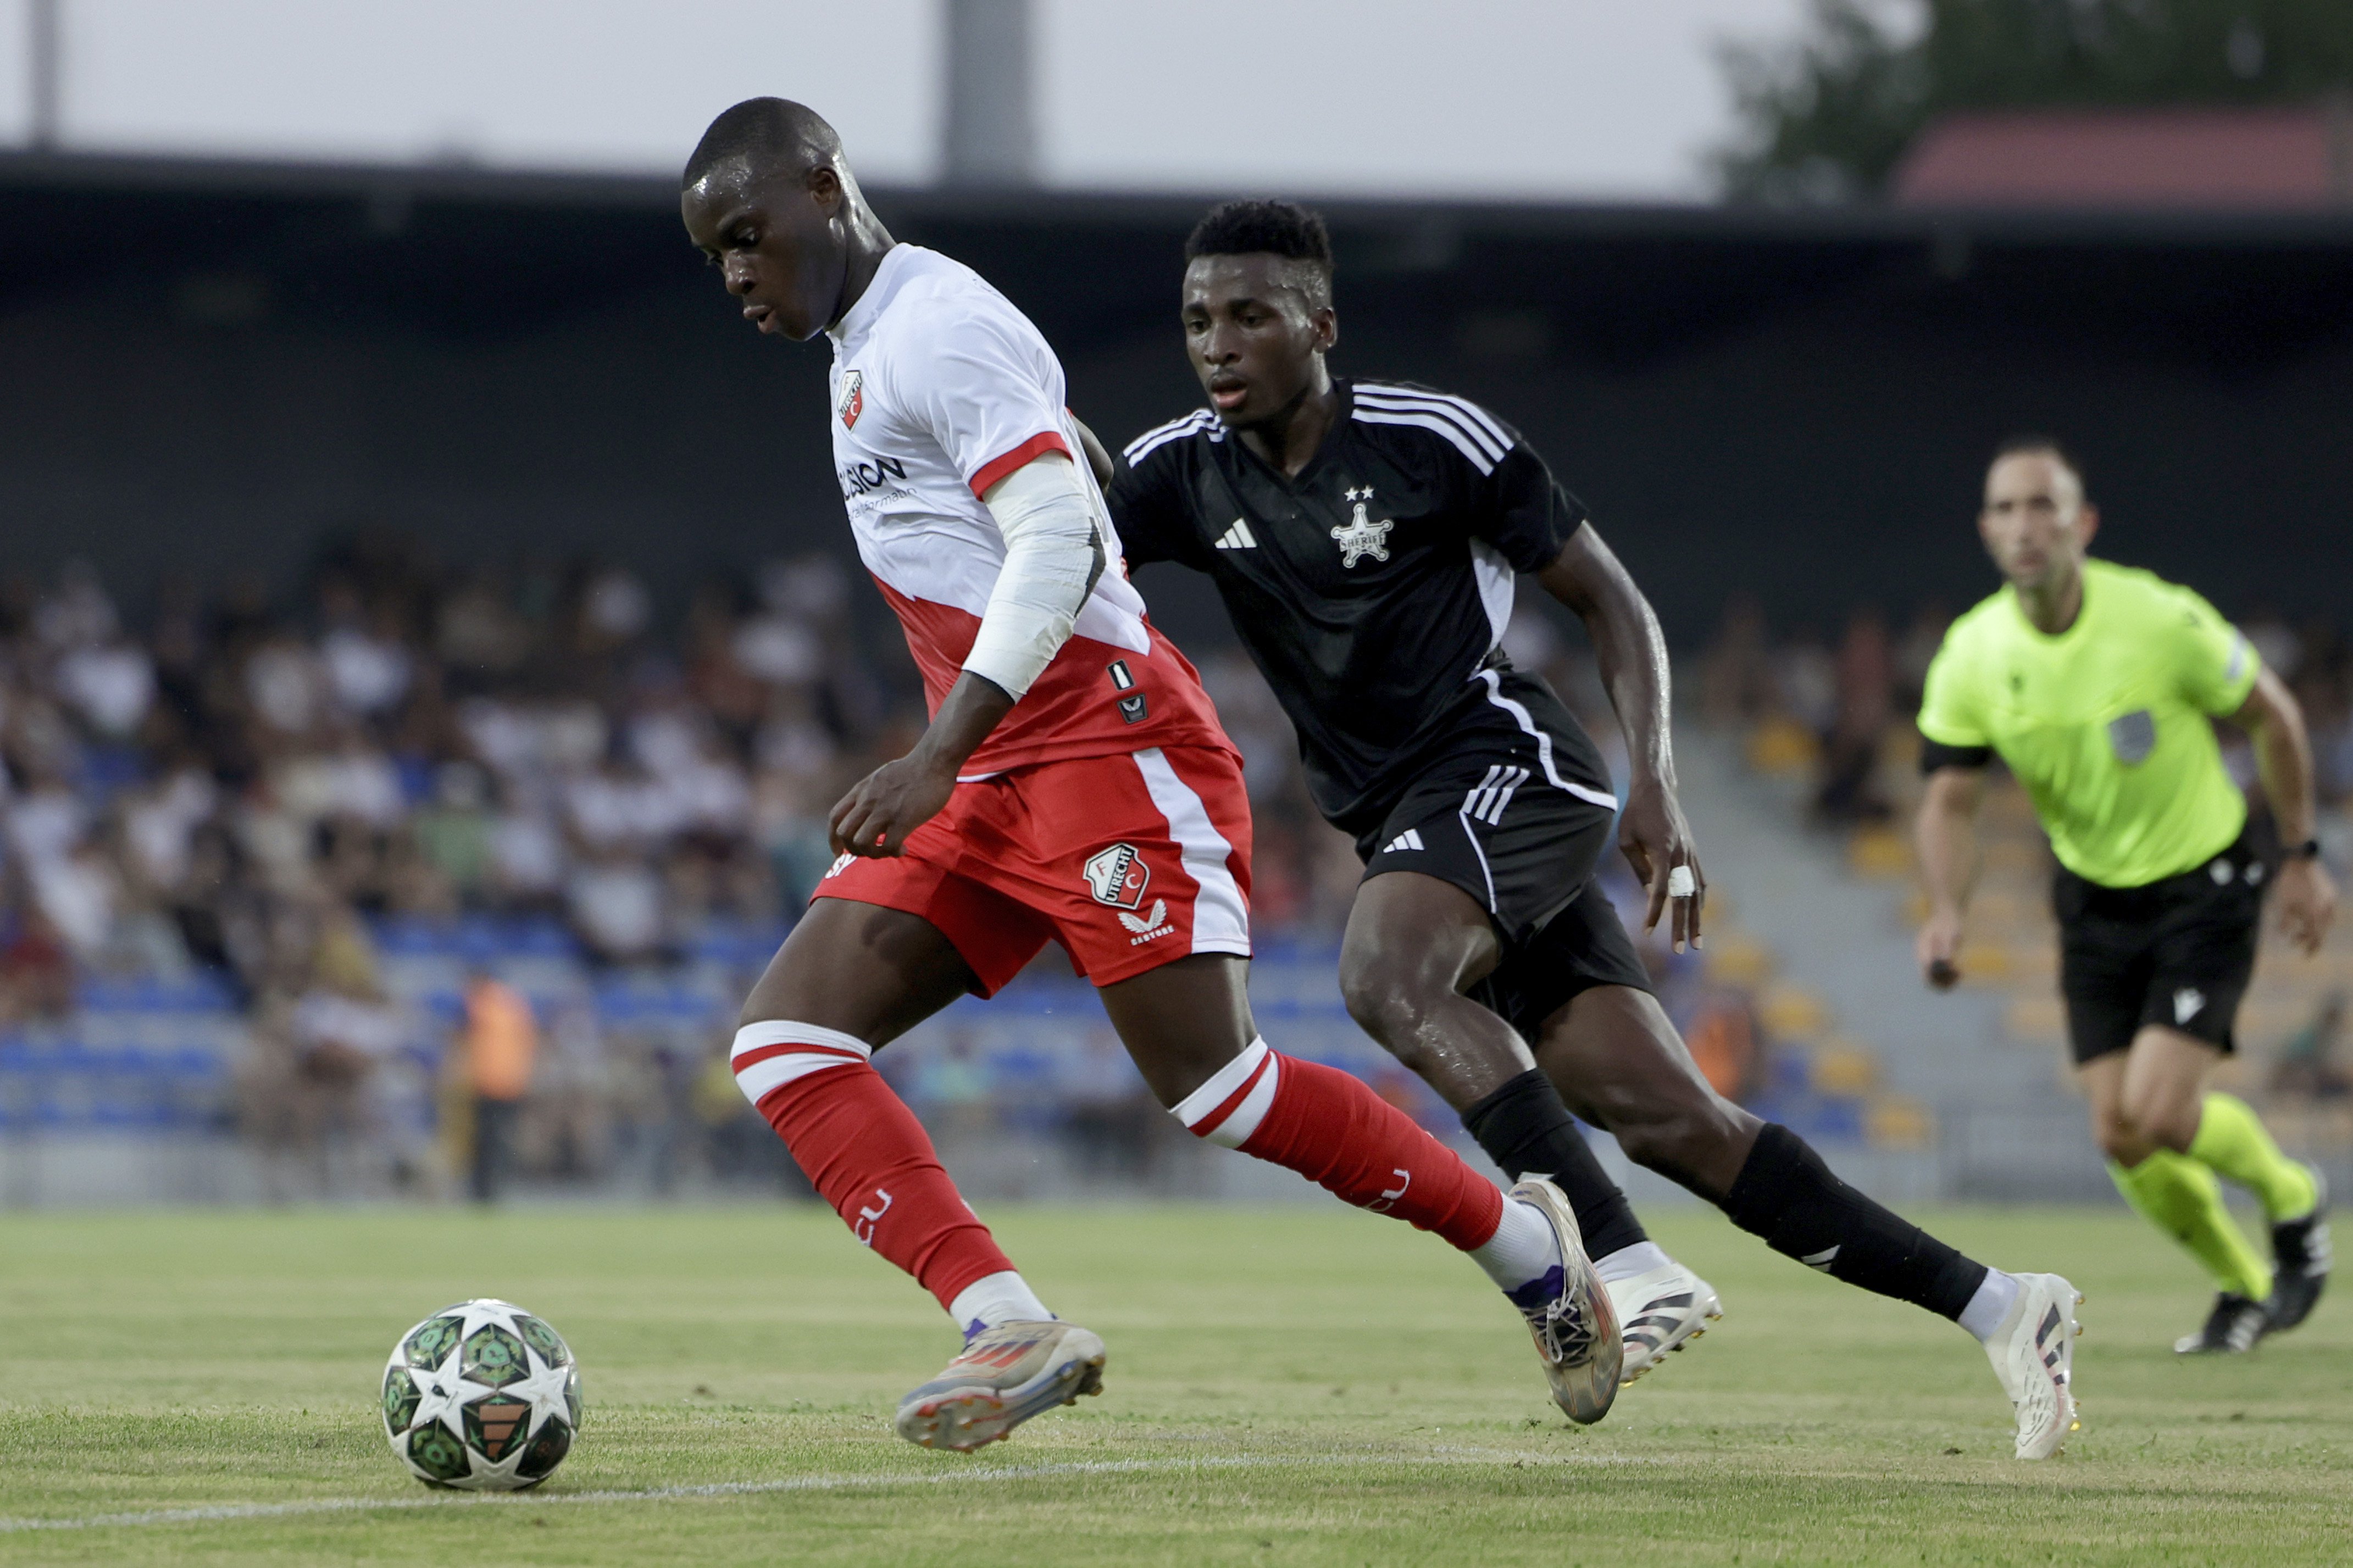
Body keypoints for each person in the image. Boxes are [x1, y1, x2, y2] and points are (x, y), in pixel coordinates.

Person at [679, 100, 1623, 1454]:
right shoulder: (868, 344)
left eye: (749, 237)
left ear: (826, 188)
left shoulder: (932, 324)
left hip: (1104, 744)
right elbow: (1070, 475)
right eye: (716, 253)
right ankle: (1005, 1319)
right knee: (784, 1042)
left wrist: (933, 753)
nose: (736, 276)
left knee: (1215, 1089)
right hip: (995, 764)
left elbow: (1057, 532)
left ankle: (1526, 1246)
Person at [1098, 199, 2080, 1459]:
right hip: (1421, 825)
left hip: (1511, 766)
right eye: (1196, 320)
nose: (1216, 343)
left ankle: (1612, 1254)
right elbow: (1062, 548)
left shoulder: (1430, 439)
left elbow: (1612, 603)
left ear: (1320, 324)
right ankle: (2004, 1307)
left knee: (1382, 974)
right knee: (1677, 1120)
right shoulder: (1180, 470)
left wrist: (1657, 786)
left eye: (1248, 314)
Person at [1914, 437, 2334, 1354]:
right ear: (1987, 529)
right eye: (2006, 508)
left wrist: (2300, 852)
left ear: (2081, 523)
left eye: (2043, 506)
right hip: (2093, 897)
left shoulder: (2158, 619)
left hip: (2203, 880)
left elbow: (2276, 716)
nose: (2025, 525)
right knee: (2120, 1132)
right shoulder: (1973, 654)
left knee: (2158, 1109)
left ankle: (2293, 1194)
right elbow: (1949, 797)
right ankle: (2244, 1285)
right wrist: (1946, 907)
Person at [459, 967, 538, 1203]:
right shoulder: (516, 1004)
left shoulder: (480, 1003)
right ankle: (492, 1189)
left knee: (484, 1140)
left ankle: (483, 1191)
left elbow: (462, 1038)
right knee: (499, 1139)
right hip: (511, 1082)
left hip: (484, 1082)